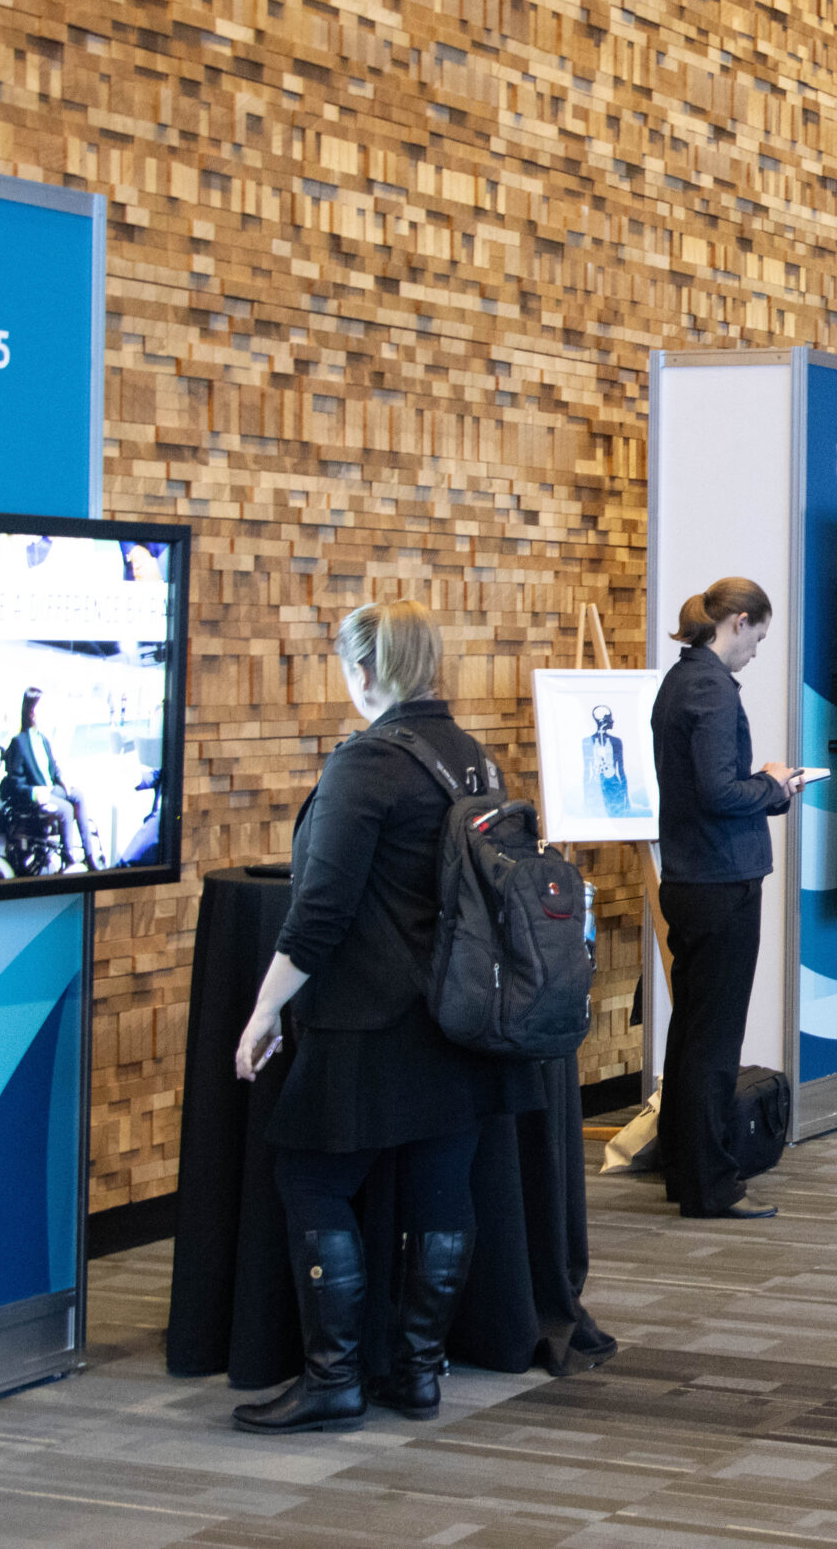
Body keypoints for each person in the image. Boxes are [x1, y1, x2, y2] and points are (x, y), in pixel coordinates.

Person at [229, 600, 540, 1434]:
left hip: (370, 1019)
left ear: (364, 670)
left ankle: (333, 1378)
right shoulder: (475, 759)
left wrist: (263, 1010)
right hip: (462, 1016)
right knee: (442, 1183)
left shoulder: (366, 762)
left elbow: (319, 910)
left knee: (311, 1178)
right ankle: (417, 1369)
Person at [654, 577, 809, 1221]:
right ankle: (711, 1185)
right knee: (713, 1043)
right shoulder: (712, 689)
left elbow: (704, 787)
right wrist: (774, 785)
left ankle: (684, 1169)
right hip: (720, 880)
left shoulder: (681, 679)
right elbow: (719, 793)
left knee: (691, 1033)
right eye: (758, 638)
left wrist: (765, 784)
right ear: (738, 621)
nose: (756, 652)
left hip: (693, 878)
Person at [0, 687, 99, 870]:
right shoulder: (19, 742)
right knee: (66, 809)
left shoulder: (43, 740)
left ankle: (90, 855)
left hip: (52, 790)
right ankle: (69, 860)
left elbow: (53, 768)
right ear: (32, 713)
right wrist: (33, 792)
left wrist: (62, 778)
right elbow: (15, 783)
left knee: (79, 795)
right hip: (35, 797)